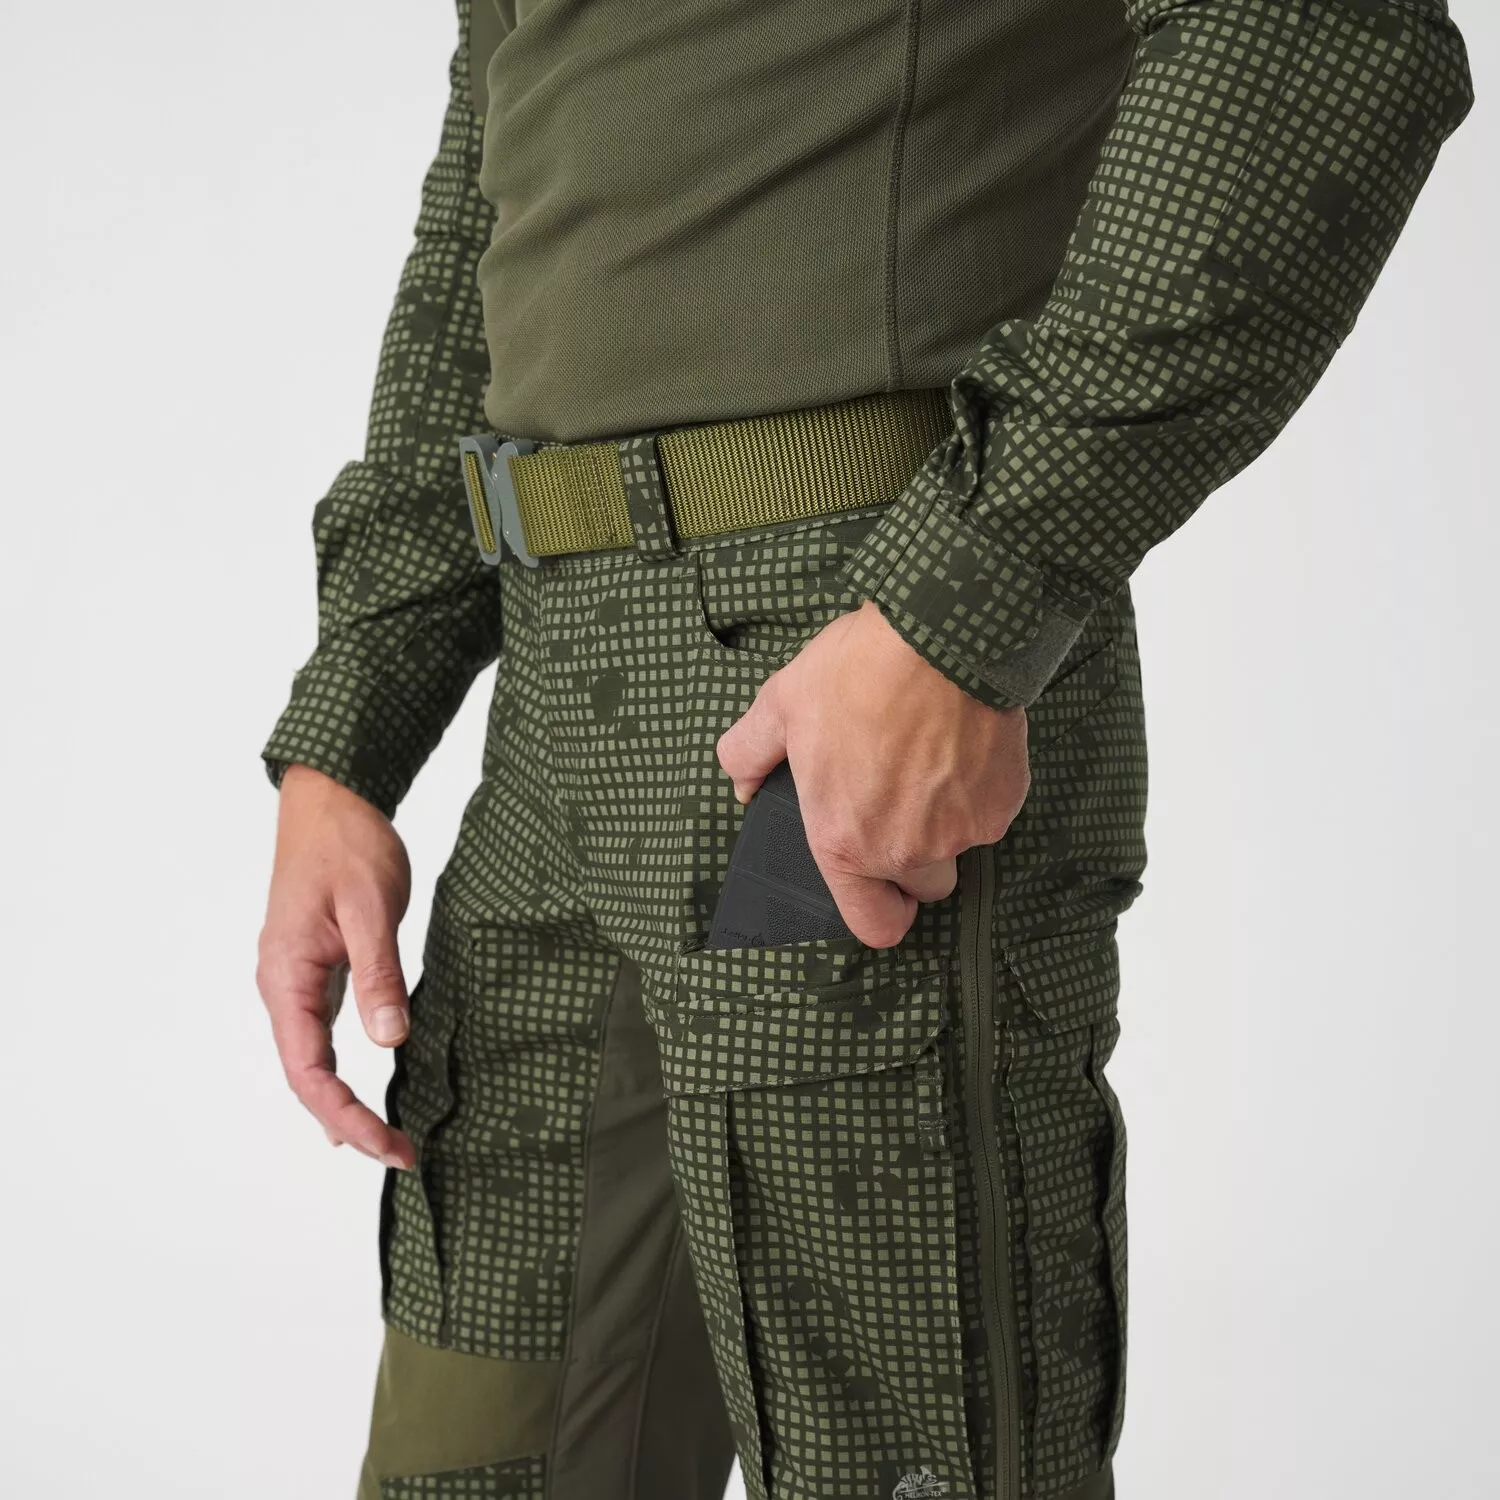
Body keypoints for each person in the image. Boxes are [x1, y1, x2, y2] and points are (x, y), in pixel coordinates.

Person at [257, 3, 1474, 1497]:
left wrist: (968, 598)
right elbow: (493, 167)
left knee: (902, 1446)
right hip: (555, 703)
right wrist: (347, 738)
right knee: (484, 1433)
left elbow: (1316, 30)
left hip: (841, 655)